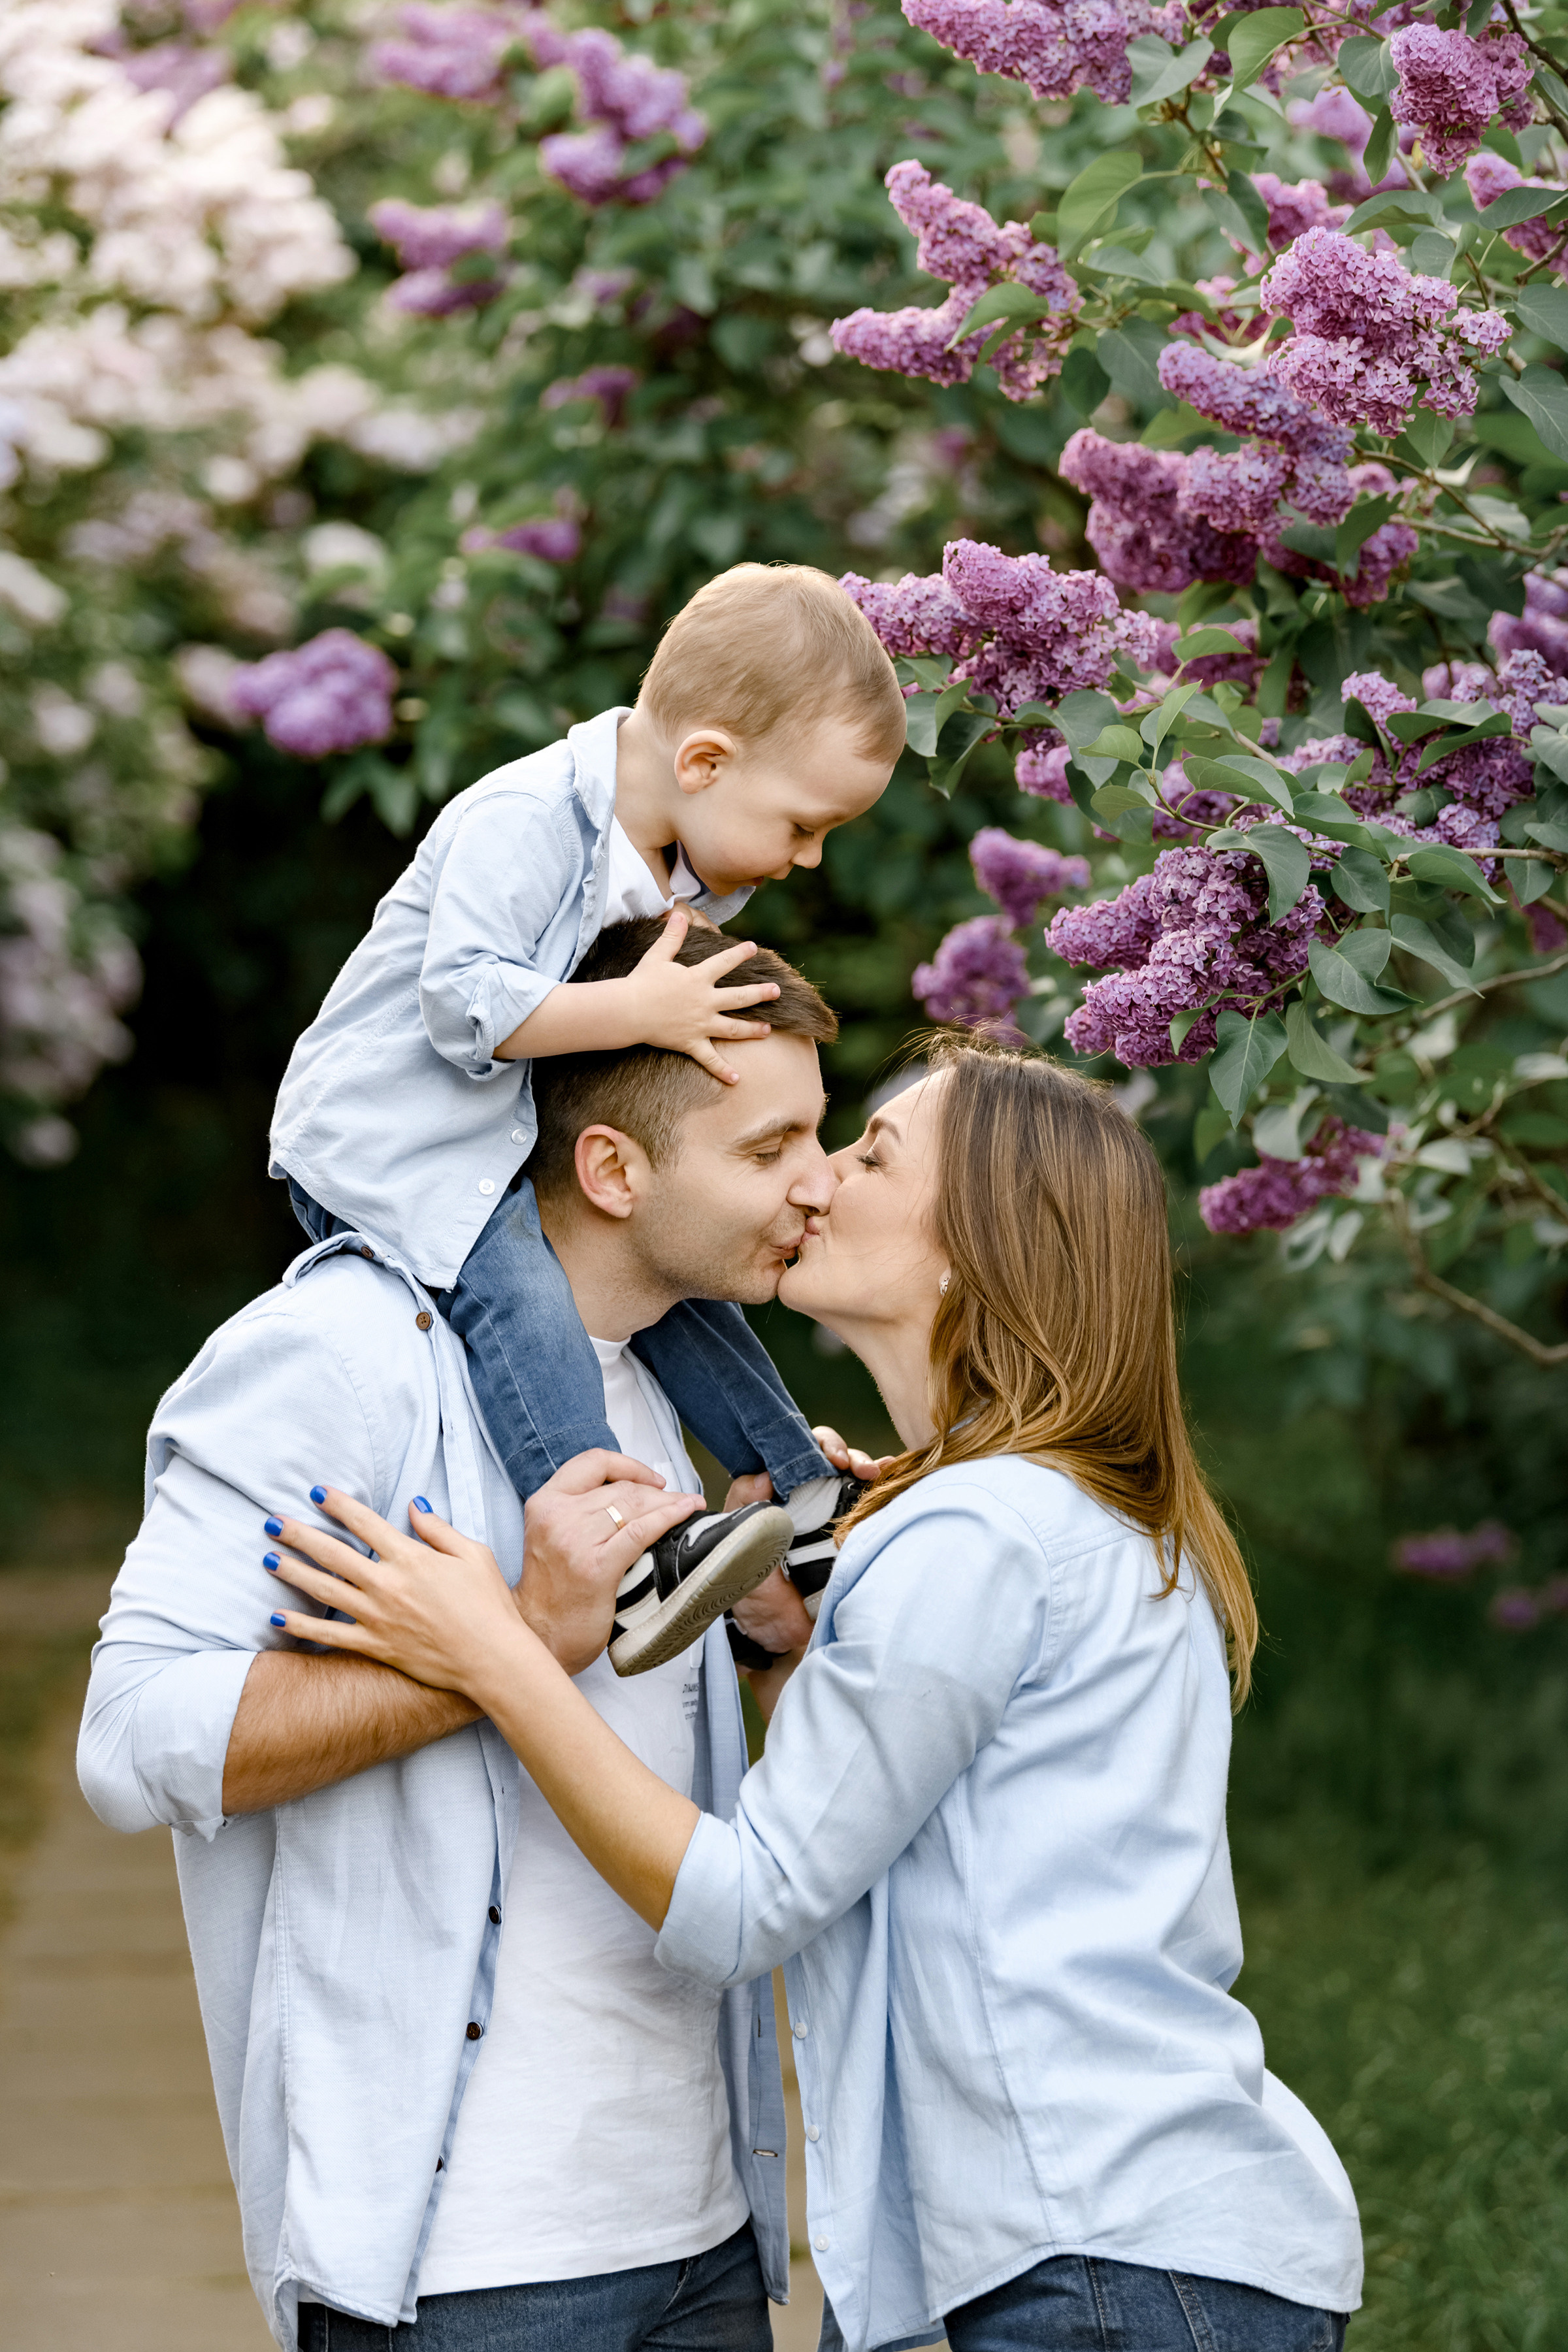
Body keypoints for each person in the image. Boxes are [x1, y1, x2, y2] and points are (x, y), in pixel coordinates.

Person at [261, 1040, 1367, 2352]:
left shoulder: (974, 1536)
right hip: (1135, 2253)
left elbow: (744, 1906)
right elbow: (902, 1840)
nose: (819, 1179)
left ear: (976, 1251)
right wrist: (791, 1653)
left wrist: (502, 1653)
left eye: (871, 1156)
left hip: (1102, 2269)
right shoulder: (1056, 1509)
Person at [78, 926, 875, 2352]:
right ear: (613, 1170)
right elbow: (134, 1741)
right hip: (464, 2269)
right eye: (770, 1149)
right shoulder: (340, 1358)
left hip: (706, 2234)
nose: (818, 1182)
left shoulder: (673, 1386)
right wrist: (516, 1643)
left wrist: (766, 1641)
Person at [270, 562, 904, 1671]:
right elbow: (463, 1002)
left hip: (504, 1137)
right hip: (394, 1146)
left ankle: (801, 1499)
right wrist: (642, 1008)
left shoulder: (678, 854)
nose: (809, 858)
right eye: (804, 825)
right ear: (704, 763)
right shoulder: (526, 820)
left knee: (684, 1280)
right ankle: (623, 1553)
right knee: (522, 1293)